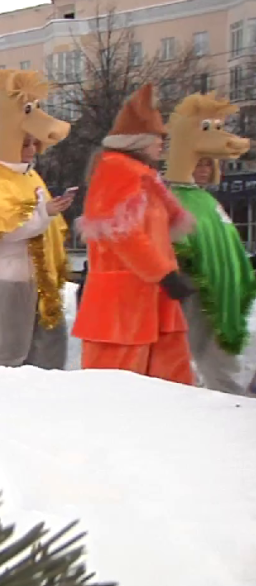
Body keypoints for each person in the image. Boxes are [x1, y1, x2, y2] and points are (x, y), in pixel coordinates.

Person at [74, 84, 196, 385]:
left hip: (148, 299)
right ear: (139, 141)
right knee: (118, 392)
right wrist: (163, 274)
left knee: (166, 388)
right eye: (158, 138)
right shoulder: (118, 171)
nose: (162, 145)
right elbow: (122, 233)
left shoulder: (142, 175)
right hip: (122, 305)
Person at [0, 69, 73, 370]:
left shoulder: (30, 175)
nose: (32, 150)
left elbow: (42, 222)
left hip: (36, 275)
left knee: (47, 343)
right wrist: (46, 213)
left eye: (34, 144)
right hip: (10, 276)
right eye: (25, 144)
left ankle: (40, 396)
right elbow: (5, 229)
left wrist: (51, 213)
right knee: (12, 346)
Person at [164, 93, 253, 394]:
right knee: (188, 353)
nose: (203, 168)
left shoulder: (206, 199)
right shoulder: (172, 197)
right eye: (199, 162)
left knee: (218, 356)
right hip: (192, 291)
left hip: (219, 292)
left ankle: (224, 398)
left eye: (207, 163)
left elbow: (224, 242)